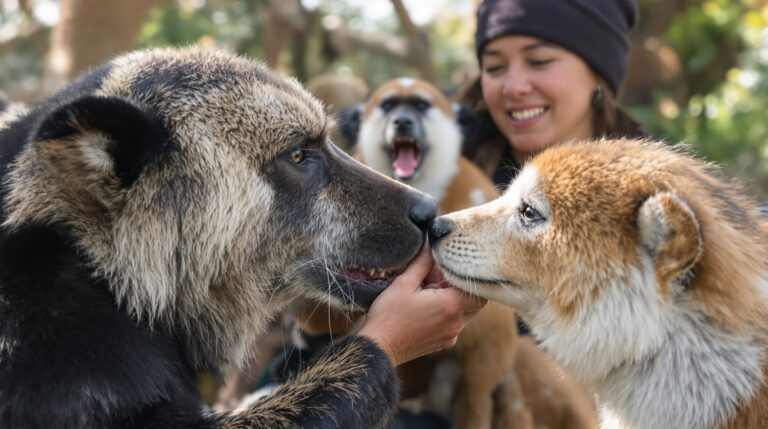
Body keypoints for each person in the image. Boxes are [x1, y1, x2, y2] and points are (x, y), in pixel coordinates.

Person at [460, 0, 647, 189]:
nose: (513, 87)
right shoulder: (444, 169)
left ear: (598, 74)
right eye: (494, 67)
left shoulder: (651, 189)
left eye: (539, 61)